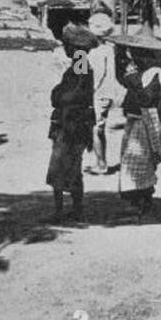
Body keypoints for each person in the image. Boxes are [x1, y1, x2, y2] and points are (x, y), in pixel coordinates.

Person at [115, 42, 161, 219]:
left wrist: (133, 80)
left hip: (146, 122)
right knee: (132, 162)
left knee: (140, 162)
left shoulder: (155, 74)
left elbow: (146, 98)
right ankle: (140, 200)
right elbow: (123, 81)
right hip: (134, 121)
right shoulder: (137, 72)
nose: (137, 58)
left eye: (141, 55)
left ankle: (140, 201)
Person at [48, 23, 98, 221]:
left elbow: (73, 94)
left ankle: (61, 211)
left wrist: (58, 95)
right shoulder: (81, 63)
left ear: (74, 47)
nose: (64, 47)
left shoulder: (80, 62)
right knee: (73, 168)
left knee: (60, 167)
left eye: (66, 44)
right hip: (76, 123)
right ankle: (75, 209)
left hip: (71, 124)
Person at [85, 13, 117, 174]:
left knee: (95, 129)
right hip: (107, 92)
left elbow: (97, 75)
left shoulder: (97, 52)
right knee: (99, 129)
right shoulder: (109, 49)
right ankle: (101, 161)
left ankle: (101, 164)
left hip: (99, 93)